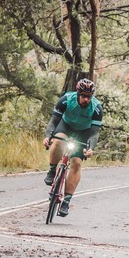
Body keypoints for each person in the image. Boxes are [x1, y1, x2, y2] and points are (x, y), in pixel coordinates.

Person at [43, 78, 103, 217]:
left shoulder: (96, 108)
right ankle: (52, 170)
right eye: (83, 96)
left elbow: (94, 133)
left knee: (76, 163)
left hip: (83, 132)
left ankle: (66, 202)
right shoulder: (66, 100)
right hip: (66, 126)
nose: (86, 99)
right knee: (58, 142)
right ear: (77, 93)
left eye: (88, 97)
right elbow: (53, 122)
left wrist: (90, 148)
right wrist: (48, 137)